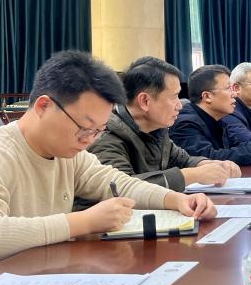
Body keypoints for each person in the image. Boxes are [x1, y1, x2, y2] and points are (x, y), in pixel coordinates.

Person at [0, 50, 217, 285]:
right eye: (84, 128)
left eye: (99, 131)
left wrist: (176, 200)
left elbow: (115, 182)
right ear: (44, 106)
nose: (89, 140)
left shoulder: (67, 153)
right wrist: (84, 222)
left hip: (29, 278)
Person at [87, 56, 240, 193]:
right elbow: (120, 188)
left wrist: (207, 164)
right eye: (174, 97)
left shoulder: (156, 129)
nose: (180, 105)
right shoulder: (105, 136)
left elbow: (183, 160)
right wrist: (193, 175)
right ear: (144, 101)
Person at [171, 65, 251, 165]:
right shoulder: (186, 123)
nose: (234, 94)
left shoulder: (218, 118)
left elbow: (237, 144)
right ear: (207, 96)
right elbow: (208, 157)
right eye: (228, 88)